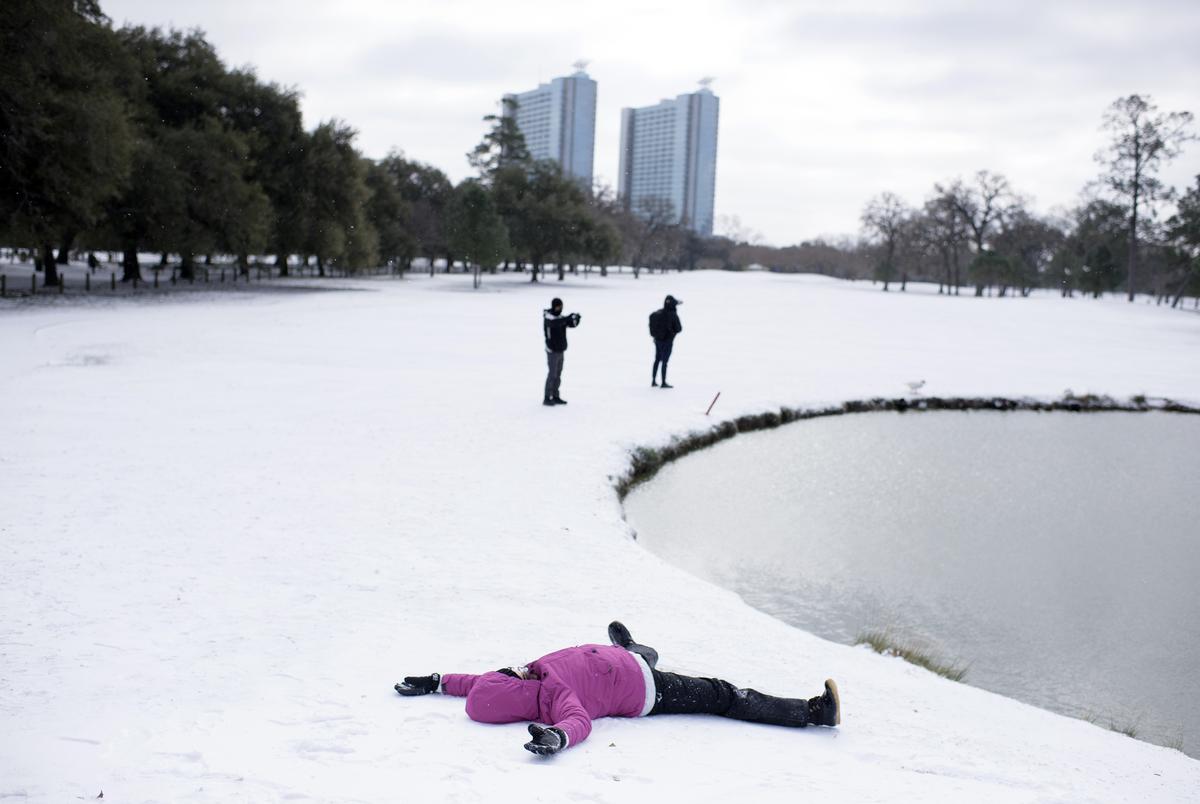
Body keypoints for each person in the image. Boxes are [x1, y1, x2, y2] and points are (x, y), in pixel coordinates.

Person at [395, 621, 840, 756]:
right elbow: (579, 722)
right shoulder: (553, 697)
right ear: (517, 691)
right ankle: (812, 713)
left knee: (639, 653)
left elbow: (475, 684)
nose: (516, 667)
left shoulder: (525, 677)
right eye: (512, 673)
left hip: (621, 664)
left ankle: (630, 647)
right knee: (723, 694)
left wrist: (435, 681)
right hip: (648, 689)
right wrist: (559, 736)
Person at [543, 297, 580, 406]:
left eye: (561, 306)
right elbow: (555, 323)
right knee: (552, 374)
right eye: (558, 306)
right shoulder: (549, 317)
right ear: (554, 306)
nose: (560, 308)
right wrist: (567, 318)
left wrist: (576, 320)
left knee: (558, 374)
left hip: (560, 350)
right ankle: (547, 397)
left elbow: (570, 324)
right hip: (552, 350)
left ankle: (555, 395)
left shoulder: (560, 318)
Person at [649, 295, 683, 388]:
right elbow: (679, 328)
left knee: (657, 359)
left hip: (657, 340)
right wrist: (672, 333)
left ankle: (653, 381)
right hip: (667, 341)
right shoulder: (673, 314)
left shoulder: (658, 313)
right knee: (665, 362)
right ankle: (663, 382)